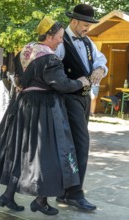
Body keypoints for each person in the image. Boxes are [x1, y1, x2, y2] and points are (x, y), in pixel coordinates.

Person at [0, 16, 90, 215]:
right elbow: (62, 85)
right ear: (49, 36)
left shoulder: (25, 51)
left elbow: (19, 78)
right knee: (49, 153)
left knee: (21, 151)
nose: (60, 41)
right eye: (58, 37)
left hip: (23, 106)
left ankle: (8, 195)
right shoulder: (50, 59)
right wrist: (81, 82)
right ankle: (41, 201)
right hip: (44, 109)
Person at [55, 4, 108, 211]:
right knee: (80, 143)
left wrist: (100, 68)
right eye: (85, 25)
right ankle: (75, 194)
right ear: (74, 21)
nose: (88, 29)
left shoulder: (87, 42)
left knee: (73, 145)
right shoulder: (61, 42)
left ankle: (65, 191)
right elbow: (51, 63)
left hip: (84, 100)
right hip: (68, 98)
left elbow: (101, 59)